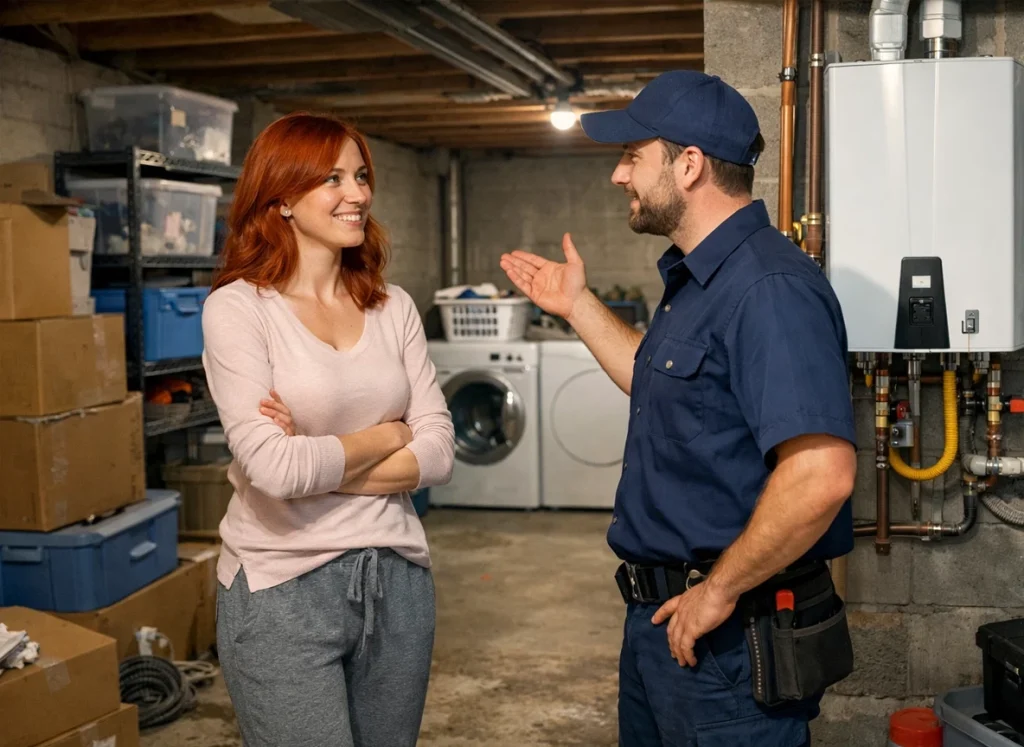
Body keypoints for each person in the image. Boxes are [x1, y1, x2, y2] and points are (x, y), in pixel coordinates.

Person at [500, 70, 857, 746]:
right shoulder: (697, 280)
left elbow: (821, 475)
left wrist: (718, 591)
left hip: (725, 641)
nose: (618, 174)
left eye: (633, 155)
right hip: (663, 622)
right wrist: (576, 304)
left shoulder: (769, 289)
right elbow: (659, 381)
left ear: (688, 165)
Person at [201, 111, 455, 747]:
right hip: (281, 588)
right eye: (333, 179)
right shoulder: (238, 310)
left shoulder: (391, 306)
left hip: (397, 581)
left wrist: (312, 461)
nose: (358, 194)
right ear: (282, 197)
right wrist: (389, 434)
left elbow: (441, 453)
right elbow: (275, 471)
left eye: (361, 175)